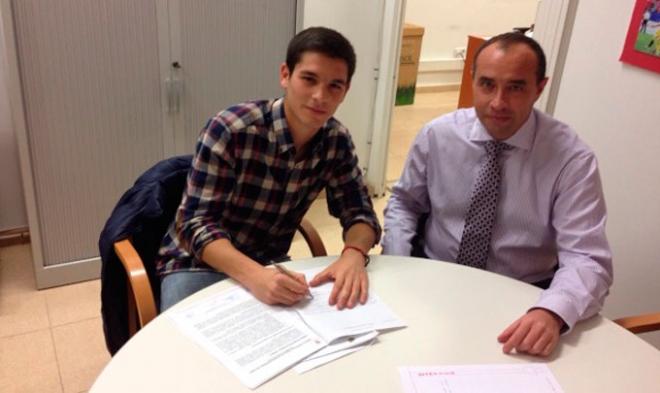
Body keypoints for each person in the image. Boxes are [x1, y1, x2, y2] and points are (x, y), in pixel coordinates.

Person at [382, 32, 612, 357]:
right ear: (472, 79)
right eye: (487, 84)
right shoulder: (437, 135)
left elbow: (588, 258)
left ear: (539, 88)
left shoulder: (571, 159)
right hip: (433, 278)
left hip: (522, 296)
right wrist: (398, 268)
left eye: (516, 87)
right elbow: (405, 205)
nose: (498, 102)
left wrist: (551, 312)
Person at [157, 27, 381, 312]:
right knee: (187, 352)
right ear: (285, 75)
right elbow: (194, 224)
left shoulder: (336, 141)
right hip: (198, 265)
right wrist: (255, 276)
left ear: (345, 91)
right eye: (309, 79)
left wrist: (353, 254)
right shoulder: (231, 129)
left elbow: (360, 213)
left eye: (334, 86)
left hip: (271, 265)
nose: (319, 96)